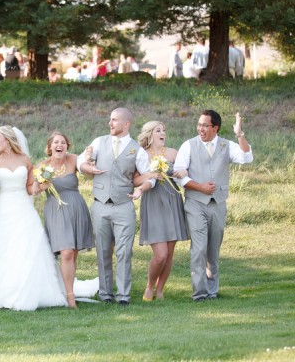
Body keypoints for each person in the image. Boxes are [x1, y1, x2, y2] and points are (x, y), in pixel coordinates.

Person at [0, 126, 67, 311]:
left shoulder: (25, 160)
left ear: (8, 139)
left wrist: (40, 185)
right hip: (5, 206)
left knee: (28, 246)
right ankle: (5, 291)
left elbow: (30, 188)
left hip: (24, 207)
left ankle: (35, 291)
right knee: (6, 247)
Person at [77, 107, 154, 305]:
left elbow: (149, 177)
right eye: (110, 119)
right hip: (100, 204)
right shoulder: (99, 142)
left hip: (124, 205)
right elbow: (80, 162)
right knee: (103, 251)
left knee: (124, 252)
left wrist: (141, 190)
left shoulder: (137, 150)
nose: (110, 123)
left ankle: (123, 295)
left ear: (126, 124)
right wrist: (87, 166)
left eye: (114, 120)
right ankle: (105, 294)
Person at [174, 110, 253, 301]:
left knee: (213, 249)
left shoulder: (227, 145)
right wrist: (200, 187)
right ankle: (199, 292)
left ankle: (212, 290)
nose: (200, 128)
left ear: (215, 128)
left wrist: (239, 134)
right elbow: (178, 175)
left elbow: (246, 158)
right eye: (199, 124)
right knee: (199, 247)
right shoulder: (189, 145)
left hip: (218, 204)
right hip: (195, 204)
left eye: (205, 125)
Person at [33, 132, 95, 309]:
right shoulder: (42, 166)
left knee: (73, 254)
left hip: (76, 208)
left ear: (67, 146)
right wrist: (40, 185)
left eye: (63, 142)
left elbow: (87, 171)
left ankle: (69, 288)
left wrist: (89, 160)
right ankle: (70, 297)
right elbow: (32, 189)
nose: (59, 145)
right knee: (66, 252)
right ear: (50, 147)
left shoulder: (74, 159)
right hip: (56, 210)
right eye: (55, 142)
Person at [133, 121, 189, 301]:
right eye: (158, 130)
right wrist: (150, 175)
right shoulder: (142, 155)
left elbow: (185, 170)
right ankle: (150, 285)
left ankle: (160, 289)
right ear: (149, 135)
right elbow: (135, 180)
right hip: (153, 202)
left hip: (172, 201)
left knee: (170, 253)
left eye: (164, 130)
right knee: (161, 254)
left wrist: (182, 173)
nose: (163, 133)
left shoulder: (173, 153)